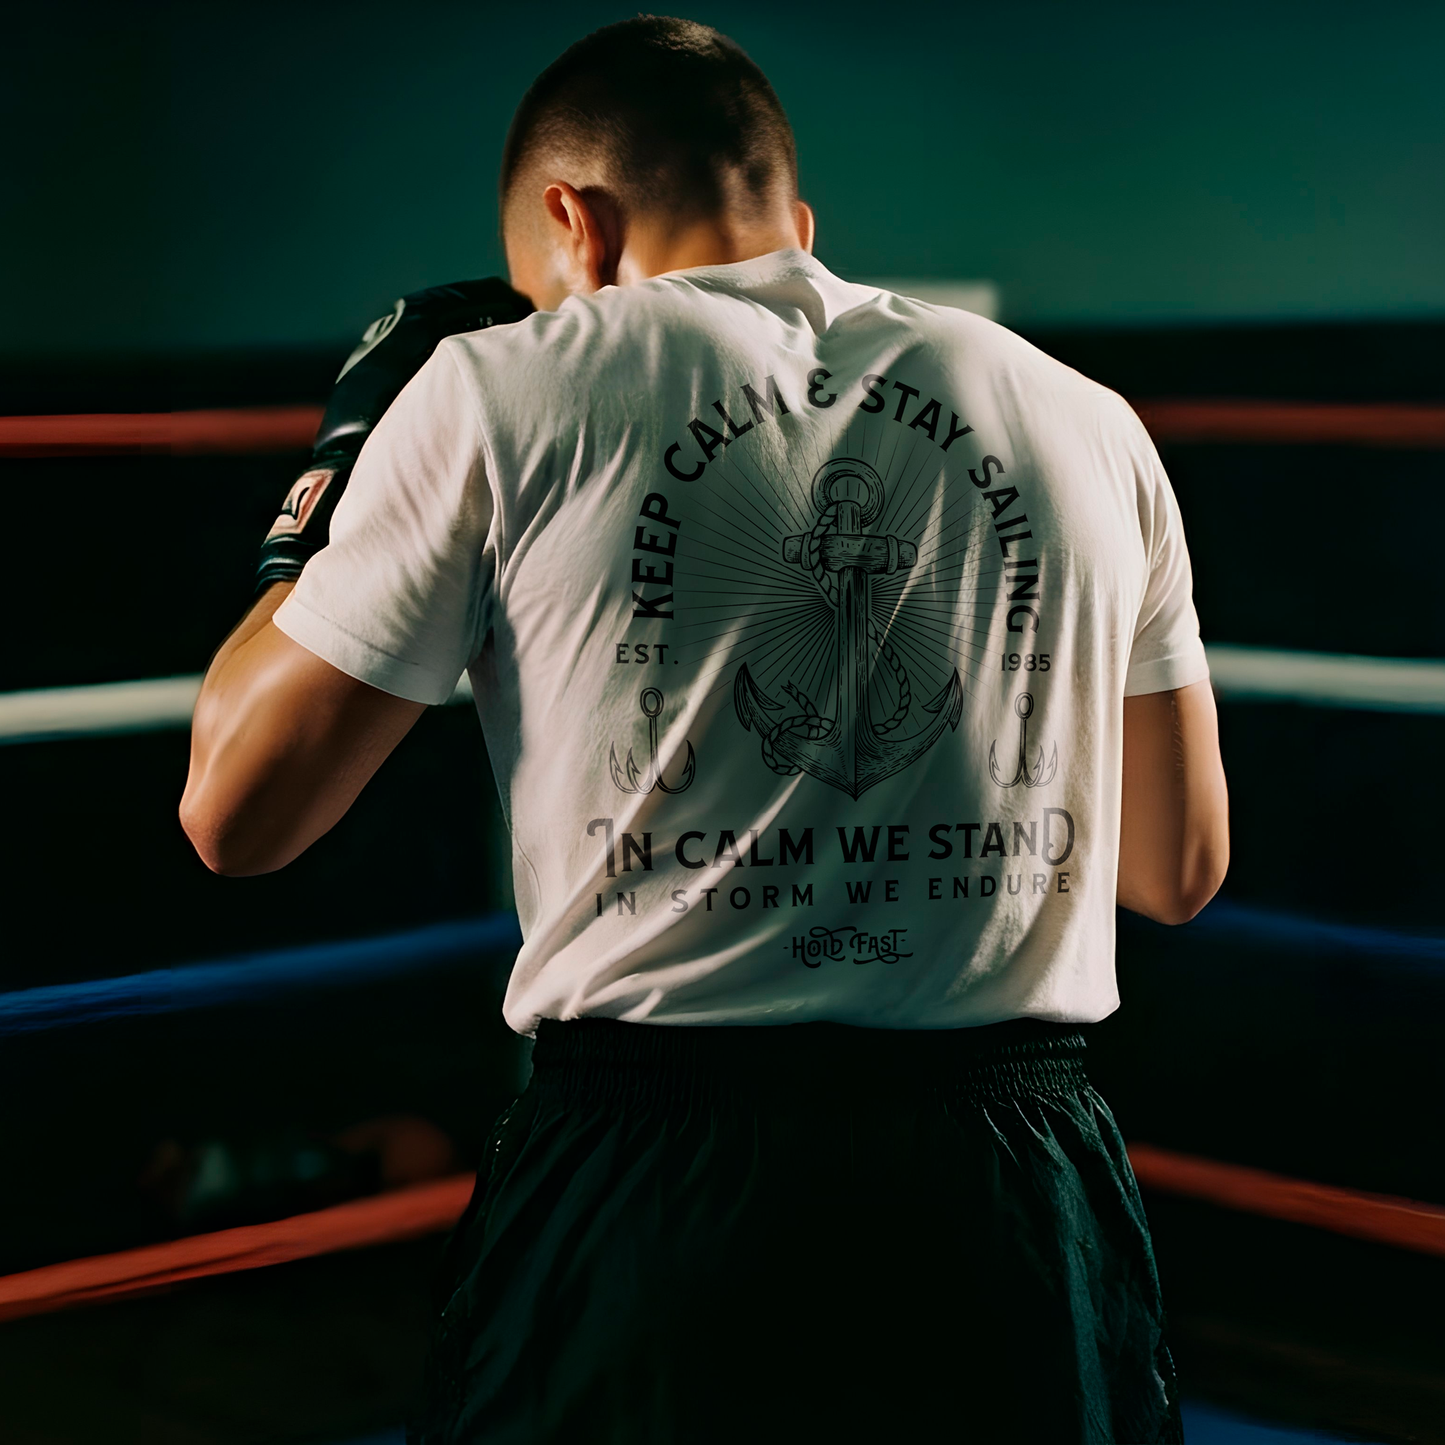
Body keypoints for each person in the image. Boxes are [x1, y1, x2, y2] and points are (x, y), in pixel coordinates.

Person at [181, 17, 1228, 1443]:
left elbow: (237, 815)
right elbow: (1179, 865)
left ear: (573, 223)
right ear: (796, 224)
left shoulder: (499, 383)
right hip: (1015, 1188)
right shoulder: (1090, 419)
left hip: (657, 1180)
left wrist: (333, 487)